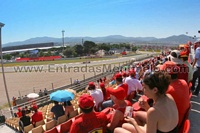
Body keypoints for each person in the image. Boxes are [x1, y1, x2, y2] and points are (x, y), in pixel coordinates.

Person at [114, 71, 178, 133]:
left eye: (145, 87)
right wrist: (147, 107)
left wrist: (134, 123)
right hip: (167, 130)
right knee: (130, 121)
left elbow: (155, 114)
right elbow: (158, 116)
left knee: (117, 130)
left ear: (155, 90)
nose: (143, 90)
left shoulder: (153, 111)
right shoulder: (169, 97)